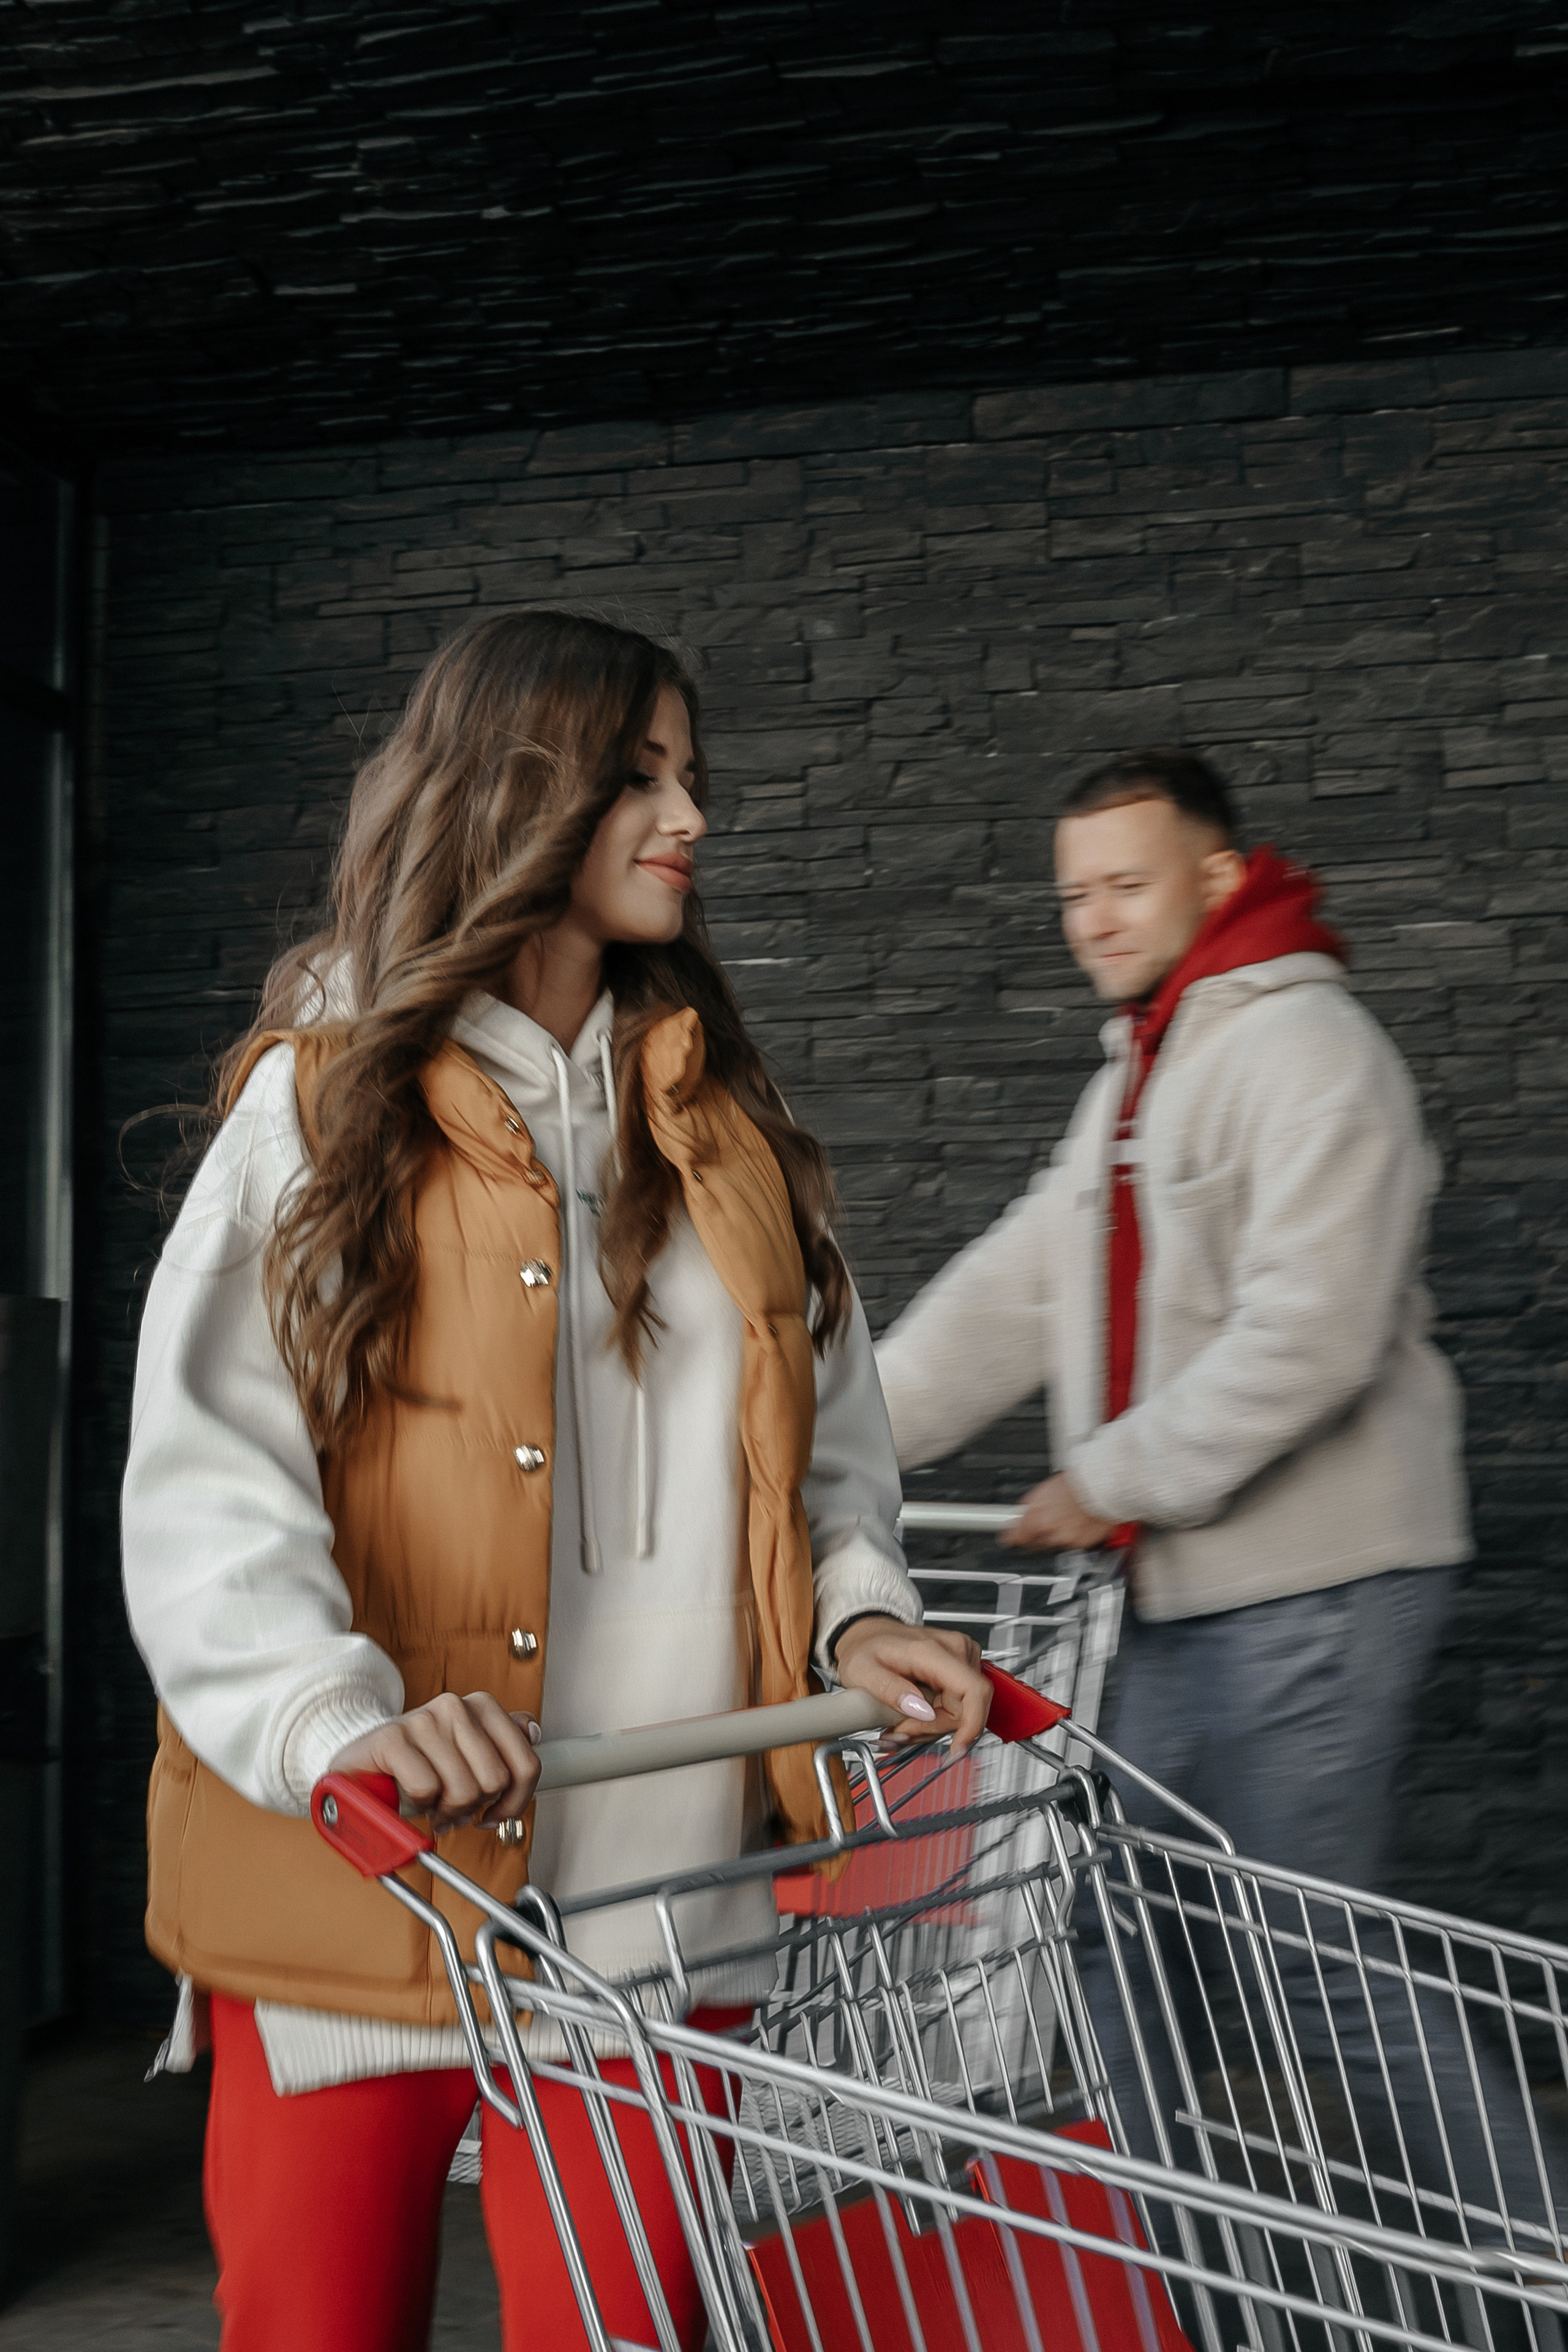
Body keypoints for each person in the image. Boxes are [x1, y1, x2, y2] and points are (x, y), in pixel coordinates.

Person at [123, 609, 991, 2352]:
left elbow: (828, 1449)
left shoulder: (731, 1128)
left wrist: (860, 1619)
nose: (691, 818)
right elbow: (211, 1476)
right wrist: (326, 1721)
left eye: (691, 776)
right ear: (523, 794)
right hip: (366, 1888)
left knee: (631, 2330)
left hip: (661, 1908)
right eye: (643, 775)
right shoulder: (320, 1107)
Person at [875, 749, 1563, 2270]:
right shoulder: (1147, 1058)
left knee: (1311, 1956)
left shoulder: (1312, 1050)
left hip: (1315, 1581)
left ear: (1216, 873)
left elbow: (1310, 1332)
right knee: (1104, 1935)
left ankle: (1536, 2257)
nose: (1093, 918)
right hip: (1174, 1593)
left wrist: (1105, 1478)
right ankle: (1197, 2271)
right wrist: (841, 1435)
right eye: (1071, 893)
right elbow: (1023, 1275)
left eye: (1125, 884)